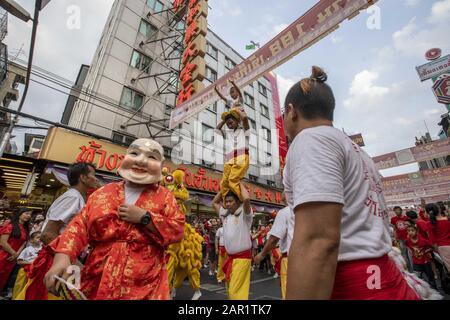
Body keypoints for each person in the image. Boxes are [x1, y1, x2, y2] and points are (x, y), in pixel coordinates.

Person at [283, 66, 420, 300]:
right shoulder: (357, 151)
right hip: (382, 278)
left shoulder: (311, 140)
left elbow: (318, 240)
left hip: (351, 285)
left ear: (291, 111)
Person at [44, 138, 184, 300]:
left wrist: (145, 218)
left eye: (152, 157)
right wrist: (62, 258)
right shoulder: (102, 193)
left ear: (161, 164)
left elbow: (178, 229)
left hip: (145, 282)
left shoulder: (165, 196)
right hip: (98, 276)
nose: (141, 160)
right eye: (134, 153)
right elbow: (78, 227)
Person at [19, 162, 98, 300]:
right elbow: (47, 234)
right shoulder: (72, 197)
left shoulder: (77, 197)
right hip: (56, 261)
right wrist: (71, 260)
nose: (96, 179)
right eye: (93, 175)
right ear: (83, 178)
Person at [212, 183, 253, 300]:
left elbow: (246, 199)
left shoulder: (245, 215)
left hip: (242, 259)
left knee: (235, 293)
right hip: (229, 258)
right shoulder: (225, 215)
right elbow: (214, 202)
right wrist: (224, 188)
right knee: (230, 292)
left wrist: (237, 182)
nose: (228, 204)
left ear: (238, 202)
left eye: (230, 201)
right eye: (226, 201)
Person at [216, 93, 250, 202]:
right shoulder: (229, 134)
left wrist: (237, 110)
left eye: (231, 122)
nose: (228, 124)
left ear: (237, 121)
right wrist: (226, 118)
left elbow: (244, 118)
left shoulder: (245, 131)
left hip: (241, 157)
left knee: (232, 180)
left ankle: (240, 202)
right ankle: (227, 203)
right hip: (229, 159)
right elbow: (217, 128)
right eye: (227, 123)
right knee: (224, 182)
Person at [254, 206, 294, 299]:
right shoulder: (311, 208)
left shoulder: (285, 212)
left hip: (289, 259)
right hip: (311, 259)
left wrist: (262, 254)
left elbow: (273, 239)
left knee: (289, 292)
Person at [0, 208, 31, 297]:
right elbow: (3, 242)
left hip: (13, 258)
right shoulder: (10, 226)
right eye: (26, 213)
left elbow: (23, 242)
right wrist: (14, 253)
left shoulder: (25, 228)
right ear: (20, 214)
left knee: (4, 279)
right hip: (3, 255)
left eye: (29, 214)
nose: (28, 216)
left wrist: (17, 254)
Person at [405, 224, 437, 289]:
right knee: (417, 278)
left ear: (416, 231)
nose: (410, 232)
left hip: (425, 262)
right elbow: (408, 247)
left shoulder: (423, 241)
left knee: (430, 277)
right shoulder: (407, 241)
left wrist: (425, 251)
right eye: (408, 231)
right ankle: (423, 290)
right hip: (416, 262)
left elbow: (433, 247)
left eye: (412, 230)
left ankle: (434, 289)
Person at [12, 231, 42, 299]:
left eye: (41, 237)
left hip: (36, 272)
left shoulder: (43, 249)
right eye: (37, 237)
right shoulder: (27, 250)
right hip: (25, 271)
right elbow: (19, 262)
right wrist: (31, 263)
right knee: (20, 286)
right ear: (31, 240)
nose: (40, 239)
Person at [425, 203, 450, 273]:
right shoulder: (447, 220)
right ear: (439, 210)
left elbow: (433, 241)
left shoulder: (429, 224)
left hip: (443, 248)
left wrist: (437, 251)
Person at [391, 206, 413, 272]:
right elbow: (394, 229)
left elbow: (411, 228)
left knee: (411, 254)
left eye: (398, 210)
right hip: (400, 239)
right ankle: (409, 270)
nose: (397, 211)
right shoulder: (393, 219)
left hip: (408, 238)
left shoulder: (406, 218)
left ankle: (414, 269)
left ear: (401, 210)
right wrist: (395, 238)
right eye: (395, 210)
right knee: (404, 254)